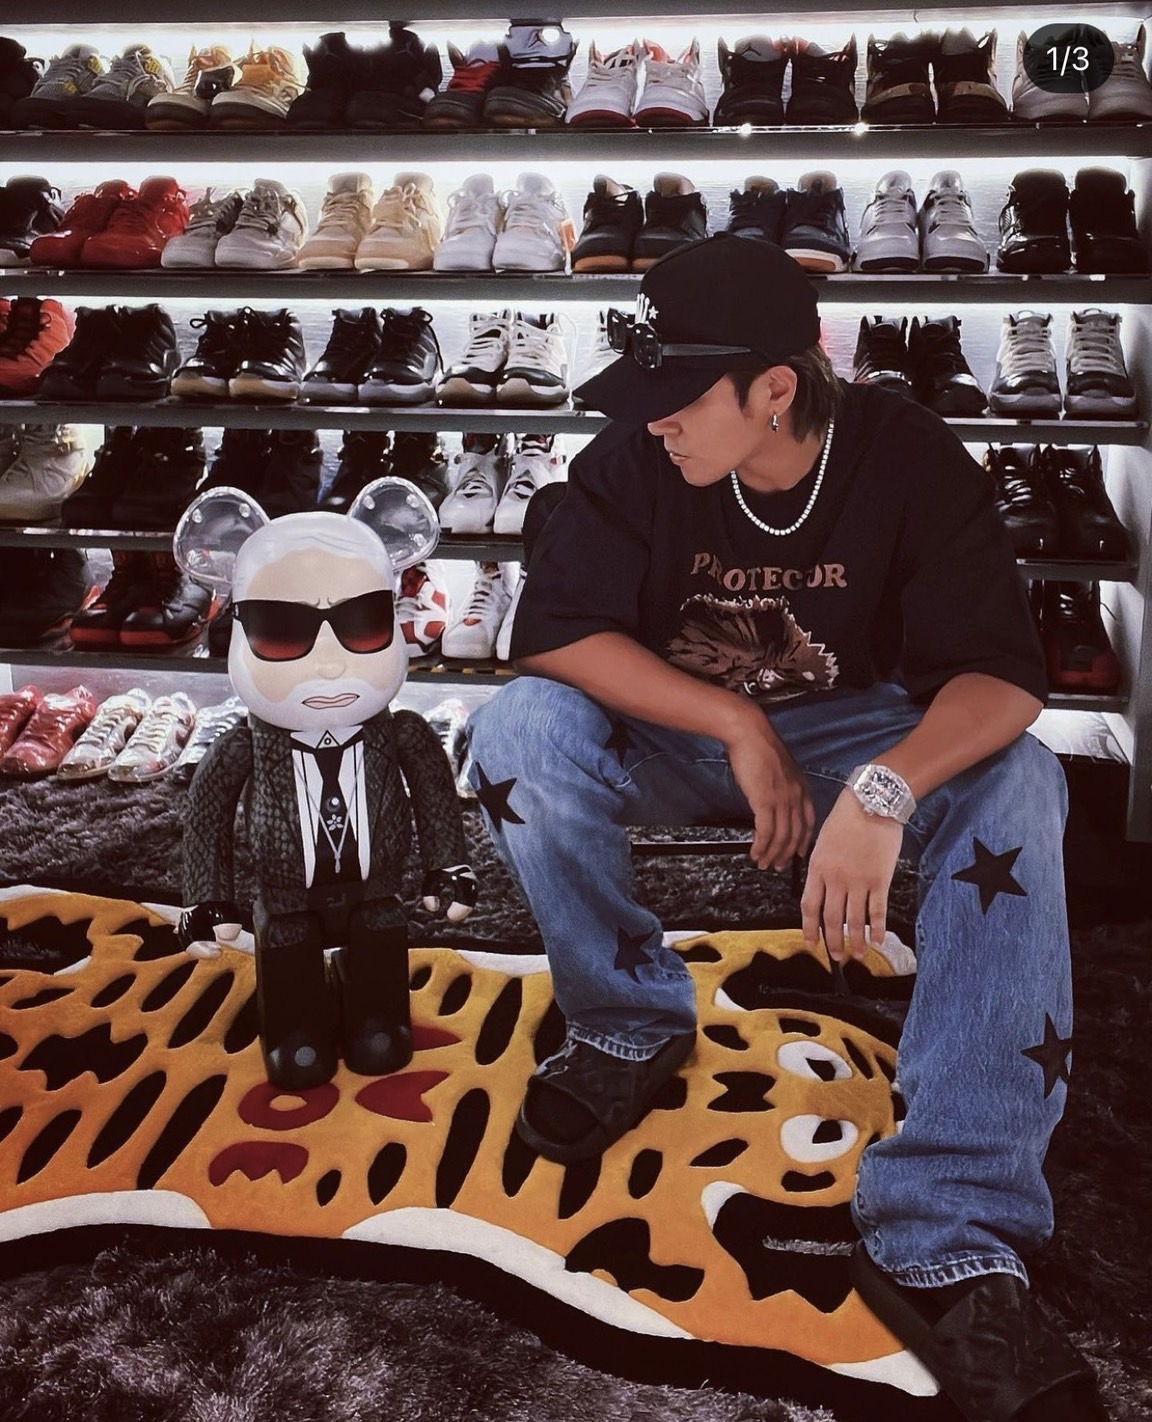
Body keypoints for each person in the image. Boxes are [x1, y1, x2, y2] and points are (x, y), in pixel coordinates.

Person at [465, 233, 1108, 1422]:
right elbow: (554, 635)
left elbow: (1004, 678)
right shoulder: (637, 454)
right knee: (516, 733)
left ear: (773, 387)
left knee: (1020, 781)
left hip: (853, 735)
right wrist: (734, 721)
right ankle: (624, 1021)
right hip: (674, 733)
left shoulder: (907, 454)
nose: (655, 420)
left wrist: (885, 790)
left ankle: (949, 1225)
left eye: (679, 396)